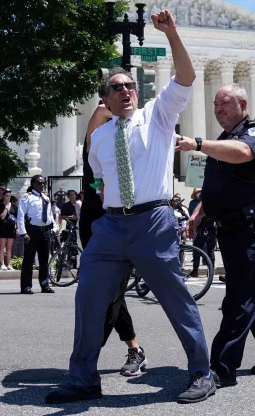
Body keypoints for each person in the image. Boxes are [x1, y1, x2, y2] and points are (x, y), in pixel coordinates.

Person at [45, 10, 214, 405]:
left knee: (175, 298)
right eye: (117, 87)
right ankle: (83, 377)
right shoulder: (99, 139)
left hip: (152, 221)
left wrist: (171, 34)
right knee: (88, 298)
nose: (126, 91)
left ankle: (202, 372)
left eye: (130, 86)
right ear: (104, 99)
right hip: (110, 227)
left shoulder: (156, 116)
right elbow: (101, 182)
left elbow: (186, 77)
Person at [181, 82, 255, 389]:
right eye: (215, 104)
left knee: (239, 297)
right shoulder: (224, 140)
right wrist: (198, 212)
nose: (218, 110)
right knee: (253, 293)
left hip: (253, 228)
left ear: (243, 105)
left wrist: (198, 143)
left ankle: (221, 367)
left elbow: (243, 153)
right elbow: (217, 184)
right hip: (229, 228)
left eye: (225, 104)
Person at [79, 92, 147, 377]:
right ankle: (134, 348)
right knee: (109, 293)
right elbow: (93, 126)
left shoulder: (128, 159)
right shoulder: (97, 148)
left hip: (117, 226)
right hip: (91, 226)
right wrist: (108, 111)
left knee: (109, 293)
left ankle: (86, 362)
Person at [16, 175, 55, 294]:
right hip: (32, 231)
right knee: (28, 260)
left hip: (45, 231)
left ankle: (45, 284)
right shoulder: (27, 198)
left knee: (44, 260)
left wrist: (54, 226)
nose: (42, 185)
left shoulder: (46, 198)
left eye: (43, 183)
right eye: (39, 183)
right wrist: (23, 233)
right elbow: (21, 215)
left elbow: (49, 214)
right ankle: (26, 286)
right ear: (33, 184)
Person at [188, 188, 217, 278]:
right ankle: (195, 270)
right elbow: (193, 215)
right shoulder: (194, 204)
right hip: (200, 229)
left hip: (211, 229)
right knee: (196, 251)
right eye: (197, 193)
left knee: (210, 251)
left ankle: (210, 271)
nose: (199, 194)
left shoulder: (210, 202)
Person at [0, 189, 17, 271]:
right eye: (7, 196)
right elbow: (2, 217)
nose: (8, 197)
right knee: (2, 247)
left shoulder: (14, 206)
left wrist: (17, 227)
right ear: (3, 196)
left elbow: (17, 218)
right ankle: (2, 264)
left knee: (9, 248)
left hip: (11, 229)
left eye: (9, 196)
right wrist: (6, 209)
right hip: (2, 229)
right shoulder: (0, 205)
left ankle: (9, 264)